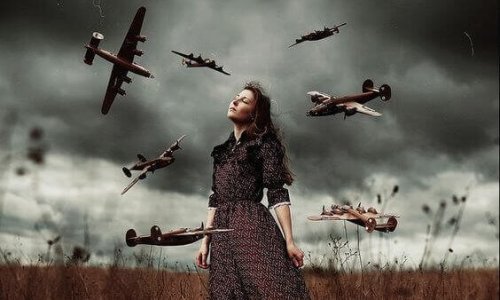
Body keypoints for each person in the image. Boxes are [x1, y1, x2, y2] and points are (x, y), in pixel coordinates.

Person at [195, 81, 310, 299]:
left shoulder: (263, 144)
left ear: (254, 114)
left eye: (244, 100)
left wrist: (289, 241)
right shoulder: (221, 152)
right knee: (226, 293)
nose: (235, 101)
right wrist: (205, 241)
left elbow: (276, 192)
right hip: (221, 232)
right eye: (236, 97)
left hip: (250, 225)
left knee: (268, 289)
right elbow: (216, 198)